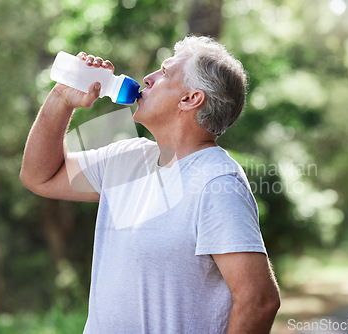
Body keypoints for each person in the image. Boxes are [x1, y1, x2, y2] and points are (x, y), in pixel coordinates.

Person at [20, 35, 280, 334]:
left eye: (165, 72)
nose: (148, 77)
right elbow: (39, 176)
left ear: (190, 99)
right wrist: (62, 98)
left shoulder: (217, 181)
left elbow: (259, 300)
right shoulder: (127, 158)